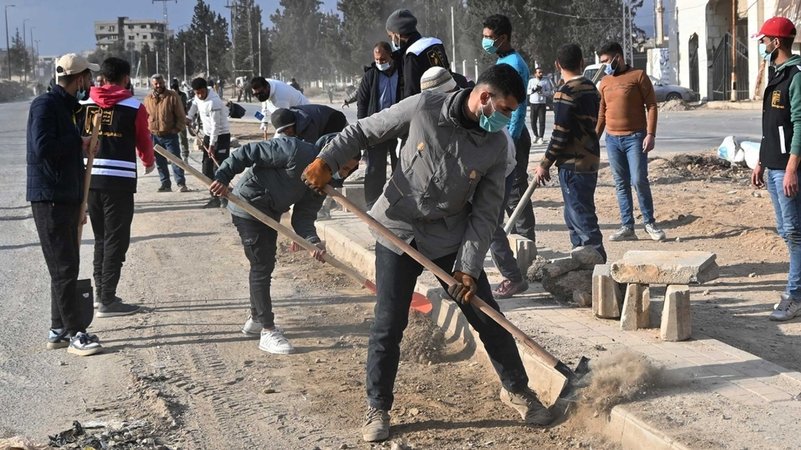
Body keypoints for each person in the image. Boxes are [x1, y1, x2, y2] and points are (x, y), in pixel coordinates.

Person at [302, 64, 553, 443]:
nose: (506, 119)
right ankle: (377, 406)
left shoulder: (496, 147)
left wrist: (468, 269)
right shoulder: (424, 107)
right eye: (504, 109)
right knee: (388, 323)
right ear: (484, 98)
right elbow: (365, 131)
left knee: (485, 314)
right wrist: (328, 160)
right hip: (397, 228)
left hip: (448, 238)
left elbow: (486, 215)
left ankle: (517, 389)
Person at [208, 111, 358, 354]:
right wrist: (223, 176)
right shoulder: (296, 151)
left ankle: (257, 319)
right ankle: (267, 330)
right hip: (248, 205)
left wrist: (311, 241)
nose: (344, 173)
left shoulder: (322, 182)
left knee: (264, 265)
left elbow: (304, 217)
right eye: (344, 166)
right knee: (261, 265)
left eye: (349, 171)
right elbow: (248, 153)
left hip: (271, 212)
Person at [28, 53, 102, 356]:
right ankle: (75, 334)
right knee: (64, 267)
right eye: (89, 77)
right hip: (51, 199)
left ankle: (57, 329)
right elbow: (42, 147)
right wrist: (78, 142)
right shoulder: (44, 105)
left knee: (64, 267)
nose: (92, 82)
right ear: (79, 78)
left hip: (67, 197)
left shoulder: (68, 108)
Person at [82, 57, 156, 318]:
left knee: (101, 237)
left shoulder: (87, 105)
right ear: (126, 78)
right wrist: (148, 161)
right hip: (119, 182)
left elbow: (85, 141)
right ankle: (108, 299)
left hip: (91, 180)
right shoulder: (133, 107)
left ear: (102, 77)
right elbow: (143, 139)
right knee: (116, 239)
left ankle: (101, 292)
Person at [534, 44, 606, 263]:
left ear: (558, 65)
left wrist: (545, 163)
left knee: (580, 215)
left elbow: (560, 134)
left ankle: (596, 262)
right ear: (582, 62)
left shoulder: (565, 93)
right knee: (574, 213)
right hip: (590, 159)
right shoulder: (591, 88)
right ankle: (580, 260)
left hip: (573, 163)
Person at [752, 17, 801, 321]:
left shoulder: (795, 76)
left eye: (764, 40)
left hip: (787, 168)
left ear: (777, 42)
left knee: (795, 233)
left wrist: (793, 168)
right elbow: (769, 126)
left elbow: (799, 124)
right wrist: (760, 160)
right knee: (787, 231)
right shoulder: (775, 73)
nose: (762, 45)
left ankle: (794, 296)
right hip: (772, 166)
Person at [596, 41, 666, 242]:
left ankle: (649, 223)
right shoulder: (605, 82)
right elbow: (602, 112)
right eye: (602, 62)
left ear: (618, 57)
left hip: (635, 138)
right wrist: (594, 139)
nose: (605, 65)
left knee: (638, 180)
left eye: (607, 61)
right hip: (612, 139)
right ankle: (627, 226)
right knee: (620, 183)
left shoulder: (638, 76)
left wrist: (650, 134)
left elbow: (651, 105)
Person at [482, 14, 536, 244]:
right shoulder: (502, 61)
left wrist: (509, 142)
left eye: (489, 37)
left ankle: (526, 243)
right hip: (501, 133)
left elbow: (519, 109)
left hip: (512, 137)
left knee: (515, 191)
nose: (484, 41)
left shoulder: (514, 64)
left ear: (503, 38)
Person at [356, 41, 403, 208]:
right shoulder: (370, 76)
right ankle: (372, 205)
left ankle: (401, 202)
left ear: (390, 55)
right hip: (377, 128)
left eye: (383, 59)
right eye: (377, 60)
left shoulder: (402, 72)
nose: (380, 63)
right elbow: (362, 103)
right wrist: (361, 128)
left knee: (401, 166)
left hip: (399, 127)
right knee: (375, 168)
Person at [187, 77, 232, 209]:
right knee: (207, 168)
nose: (200, 95)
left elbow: (215, 127)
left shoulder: (214, 102)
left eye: (201, 92)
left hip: (221, 136)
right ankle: (214, 197)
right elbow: (194, 105)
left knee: (219, 167)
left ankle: (225, 197)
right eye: (197, 93)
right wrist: (189, 117)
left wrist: (212, 145)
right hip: (208, 136)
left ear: (206, 89)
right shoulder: (197, 98)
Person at [385, 9, 450, 99]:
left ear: (397, 34)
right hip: (448, 98)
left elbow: (411, 94)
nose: (392, 40)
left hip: (430, 106)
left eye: (391, 36)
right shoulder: (435, 43)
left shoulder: (412, 54)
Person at [144, 74, 188, 192]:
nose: (159, 86)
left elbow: (181, 115)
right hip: (154, 136)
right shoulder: (148, 98)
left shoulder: (172, 96)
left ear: (164, 82)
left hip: (170, 135)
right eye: (156, 84)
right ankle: (165, 184)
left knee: (175, 160)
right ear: (152, 85)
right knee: (160, 162)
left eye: (161, 83)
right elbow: (145, 116)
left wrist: (177, 129)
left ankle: (181, 183)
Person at [527, 67, 553, 144]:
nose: (540, 74)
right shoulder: (531, 81)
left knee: (542, 121)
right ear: (535, 74)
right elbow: (527, 91)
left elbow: (549, 92)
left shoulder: (545, 81)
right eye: (539, 72)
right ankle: (536, 135)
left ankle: (541, 137)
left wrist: (542, 92)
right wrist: (533, 89)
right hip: (533, 103)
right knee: (533, 121)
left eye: (541, 72)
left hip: (542, 103)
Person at [171, 78, 191, 162]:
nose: (174, 90)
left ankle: (185, 155)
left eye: (175, 88)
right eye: (173, 88)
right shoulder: (169, 95)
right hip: (171, 120)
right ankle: (172, 155)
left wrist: (187, 117)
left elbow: (185, 107)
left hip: (181, 119)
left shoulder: (183, 95)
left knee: (183, 138)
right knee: (172, 139)